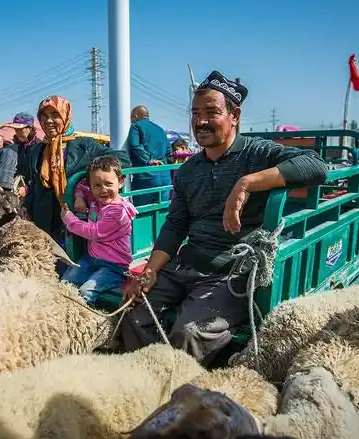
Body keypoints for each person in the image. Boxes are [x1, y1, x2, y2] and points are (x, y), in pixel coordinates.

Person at [121, 71, 329, 366]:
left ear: (235, 115)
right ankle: (145, 382)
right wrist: (151, 270)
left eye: (211, 112)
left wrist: (246, 184)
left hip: (229, 272)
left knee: (189, 334)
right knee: (133, 312)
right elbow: (176, 224)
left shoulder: (258, 153)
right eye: (195, 113)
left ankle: (180, 396)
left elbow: (316, 166)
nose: (201, 122)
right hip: (186, 264)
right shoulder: (189, 169)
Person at [23, 95, 130, 244]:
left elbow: (123, 159)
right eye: (44, 117)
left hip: (77, 220)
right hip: (44, 223)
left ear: (66, 116)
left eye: (55, 115)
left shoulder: (85, 145)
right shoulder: (36, 150)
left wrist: (85, 180)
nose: (48, 121)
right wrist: (26, 207)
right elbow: (34, 185)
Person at [60, 156, 137, 306]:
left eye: (108, 184)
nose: (103, 190)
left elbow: (94, 232)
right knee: (65, 284)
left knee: (85, 293)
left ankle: (92, 323)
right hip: (91, 259)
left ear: (121, 182)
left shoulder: (118, 212)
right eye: (97, 185)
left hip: (113, 266)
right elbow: (82, 186)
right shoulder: (97, 199)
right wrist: (79, 197)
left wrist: (69, 219)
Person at [127, 105, 172, 206]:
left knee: (142, 212)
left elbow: (135, 145)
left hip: (146, 177)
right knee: (162, 211)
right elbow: (169, 152)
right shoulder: (160, 129)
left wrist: (148, 160)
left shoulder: (136, 126)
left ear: (135, 116)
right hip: (165, 177)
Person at [0, 113, 40, 191]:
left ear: (29, 128)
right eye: (15, 129)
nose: (17, 132)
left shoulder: (39, 147)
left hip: (36, 192)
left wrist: (27, 188)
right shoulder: (18, 148)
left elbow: (41, 175)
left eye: (20, 129)